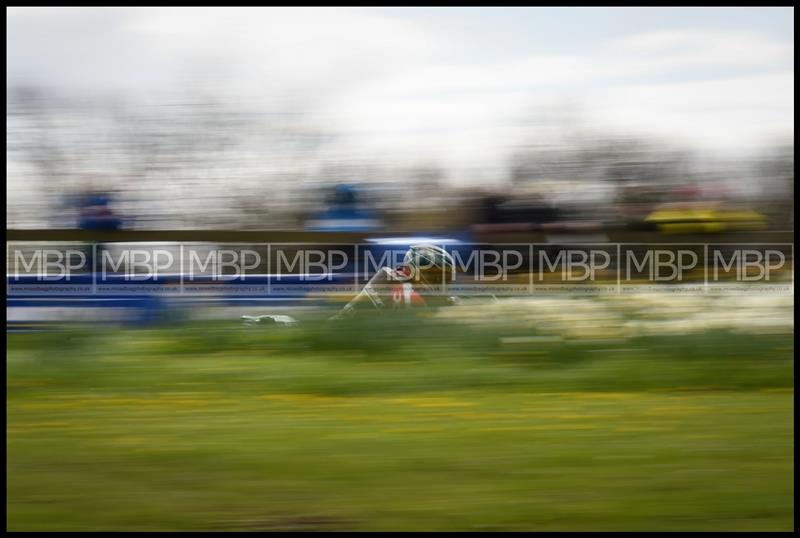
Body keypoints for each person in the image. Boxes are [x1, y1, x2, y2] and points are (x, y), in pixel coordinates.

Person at [331, 243, 458, 320]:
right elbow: (426, 319)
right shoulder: (391, 281)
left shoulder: (406, 282)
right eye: (434, 276)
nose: (439, 282)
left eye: (444, 278)